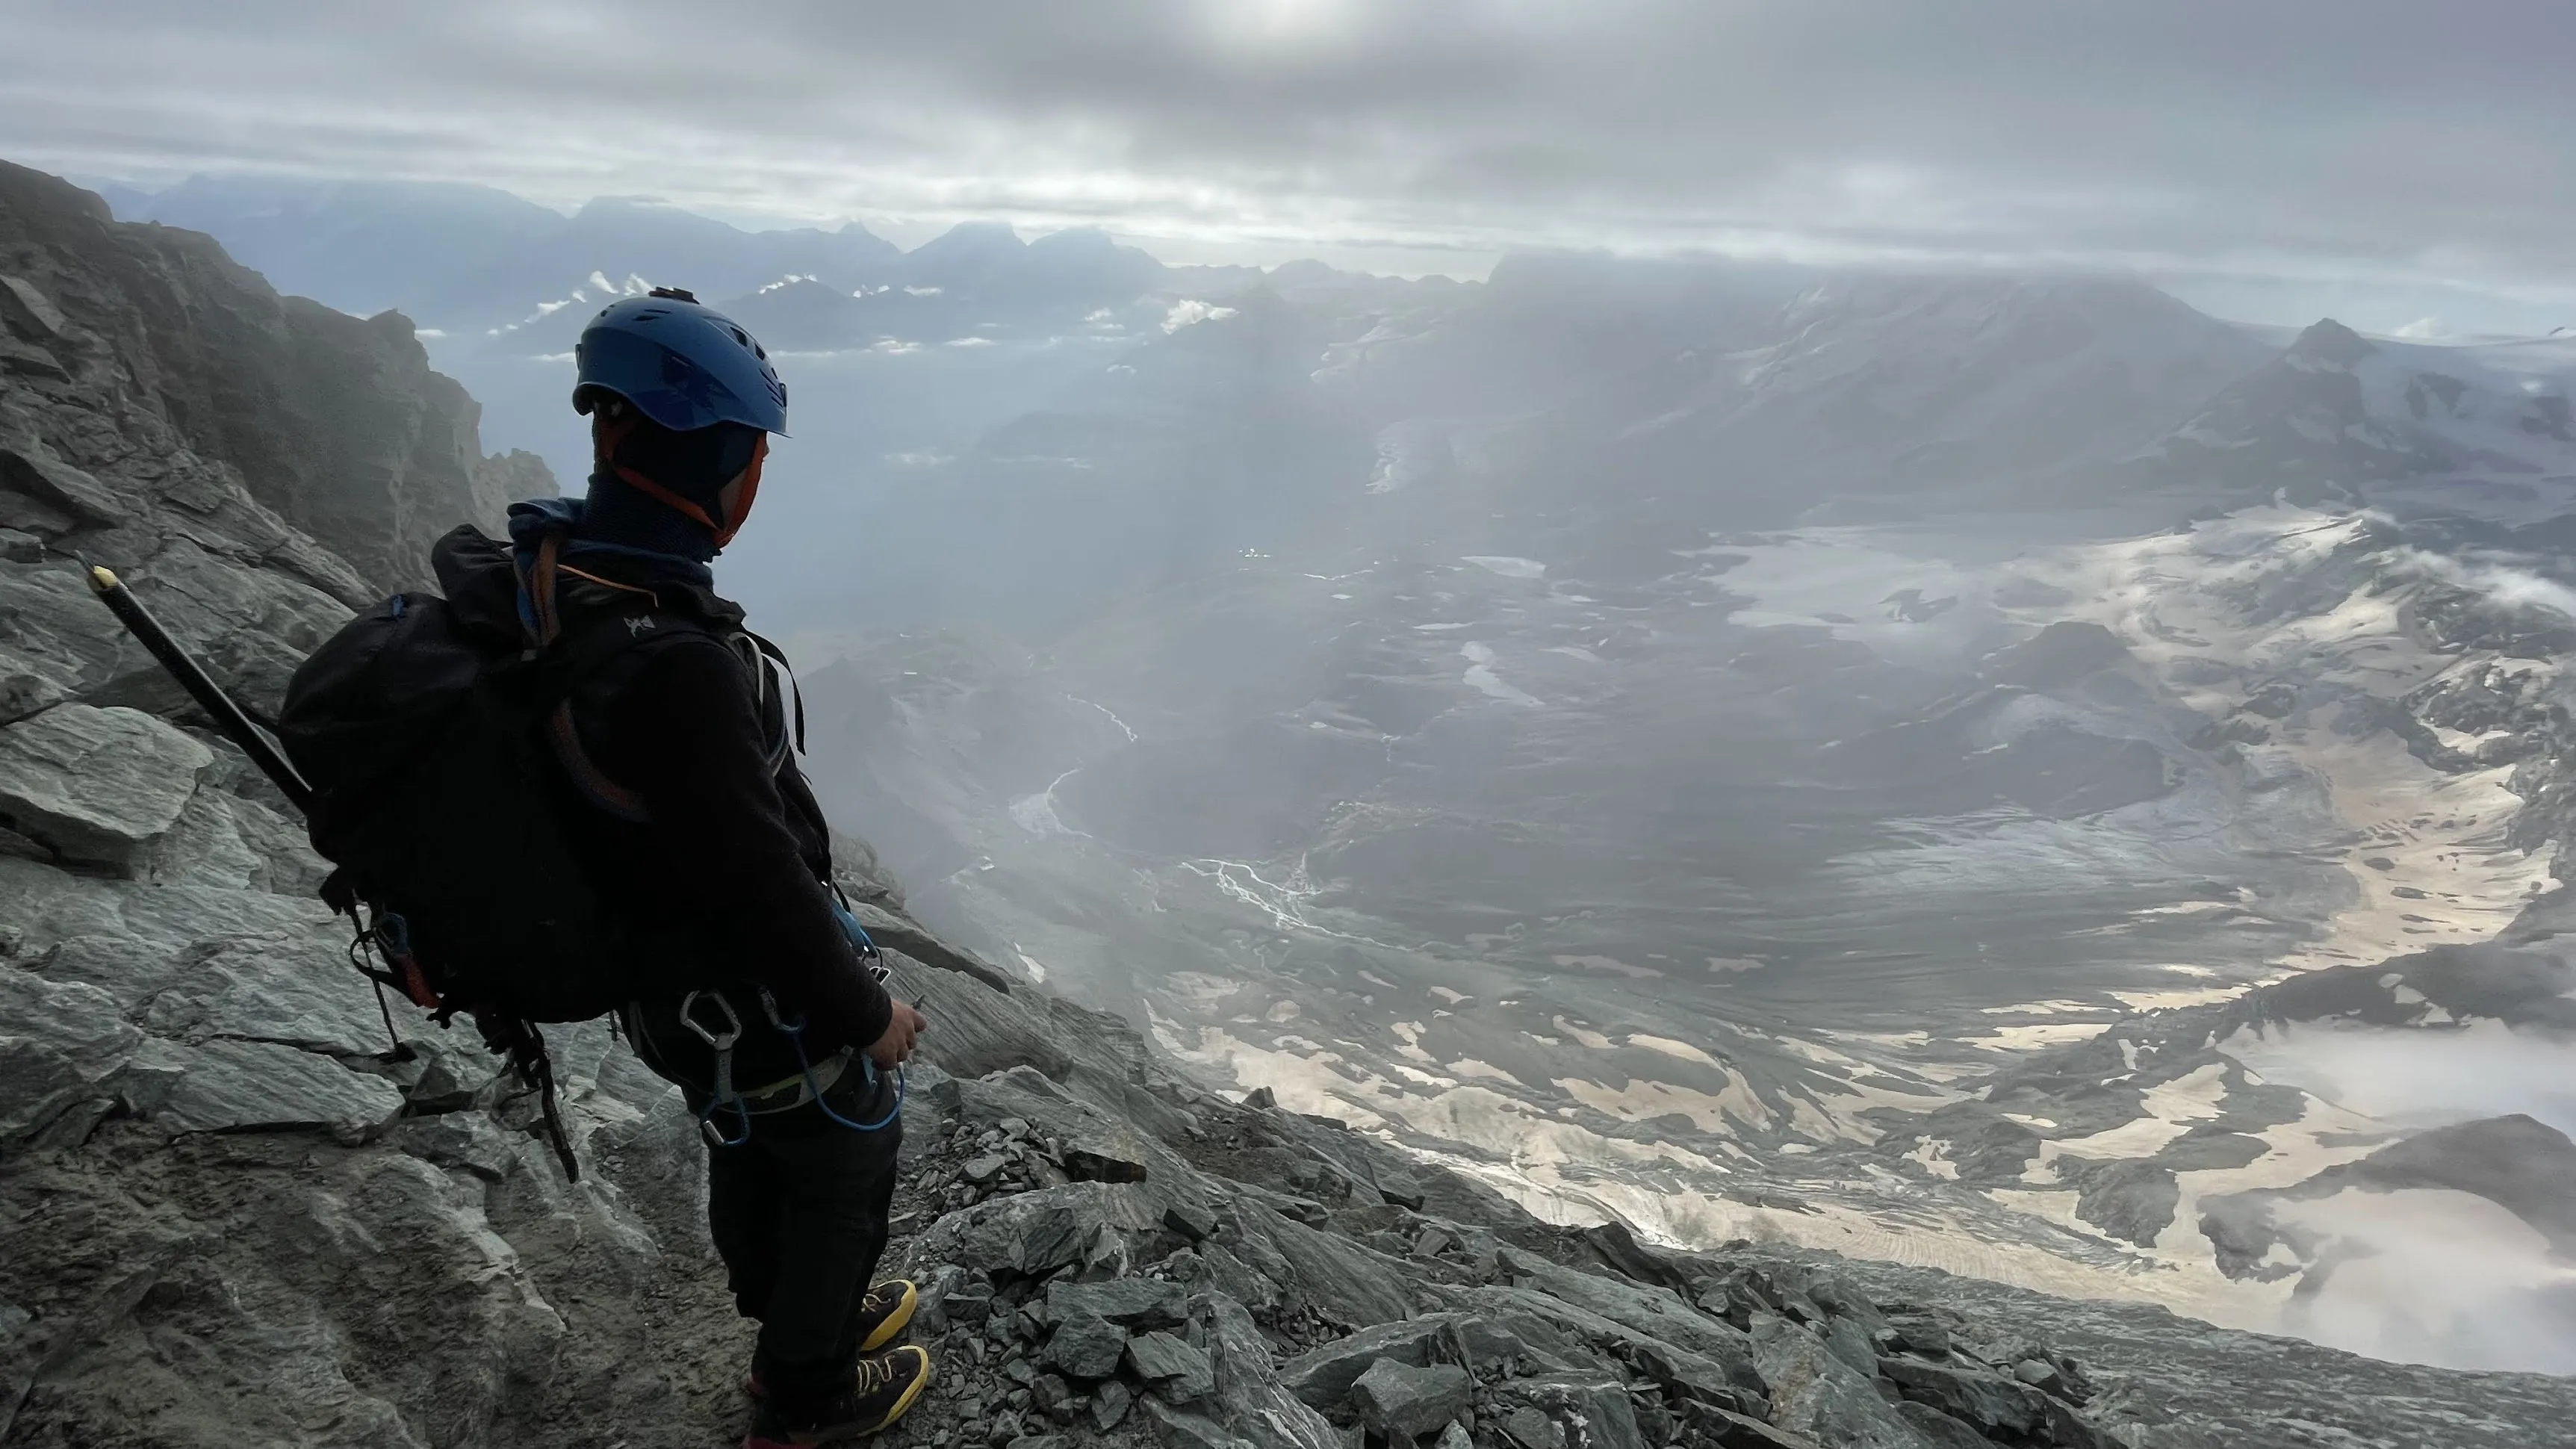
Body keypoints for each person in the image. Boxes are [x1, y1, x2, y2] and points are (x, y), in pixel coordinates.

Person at [431, 287, 934, 1448]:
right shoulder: (673, 662)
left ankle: (794, 1319)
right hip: (738, 987)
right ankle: (801, 1393)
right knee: (846, 1150)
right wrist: (866, 1015)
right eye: (753, 454)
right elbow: (757, 877)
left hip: (666, 985)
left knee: (750, 1139)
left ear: (610, 433)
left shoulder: (554, 574)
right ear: (728, 464)